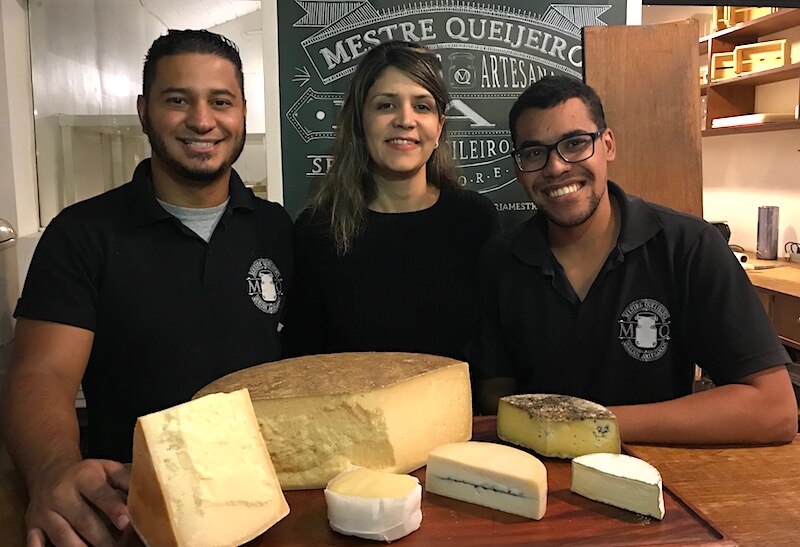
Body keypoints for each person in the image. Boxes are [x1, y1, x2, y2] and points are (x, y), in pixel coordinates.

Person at [0, 30, 292, 546]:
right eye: (177, 100)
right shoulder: (83, 234)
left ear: (243, 111)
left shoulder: (277, 229)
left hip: (267, 506)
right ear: (143, 110)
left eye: (220, 101)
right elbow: (40, 373)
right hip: (132, 516)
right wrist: (51, 472)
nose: (202, 120)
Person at [471, 75, 797, 445]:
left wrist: (585, 426)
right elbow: (496, 388)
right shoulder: (499, 260)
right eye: (534, 153)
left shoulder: (687, 245)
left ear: (607, 145)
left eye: (575, 144)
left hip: (658, 477)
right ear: (518, 168)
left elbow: (774, 409)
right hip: (541, 482)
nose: (556, 167)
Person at [281, 41, 499, 361]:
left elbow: (494, 355)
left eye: (422, 106)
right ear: (359, 121)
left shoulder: (475, 220)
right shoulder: (317, 231)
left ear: (439, 126)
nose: (405, 120)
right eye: (386, 105)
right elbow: (303, 360)